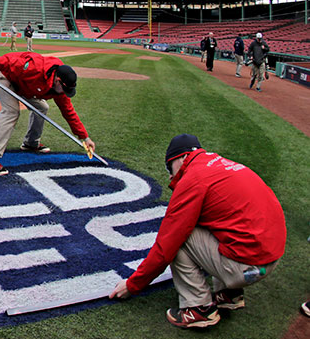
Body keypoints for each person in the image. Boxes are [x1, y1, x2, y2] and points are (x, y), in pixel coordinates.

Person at [109, 134, 286, 329]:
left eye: (170, 168)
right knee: (217, 224)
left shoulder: (193, 178)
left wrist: (133, 285)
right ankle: (229, 294)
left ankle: (198, 309)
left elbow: (165, 246)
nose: (170, 175)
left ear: (180, 158)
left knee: (179, 238)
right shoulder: (222, 164)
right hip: (270, 260)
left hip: (245, 266)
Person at [0, 51, 95, 176]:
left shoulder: (59, 88)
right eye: (64, 90)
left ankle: (31, 143)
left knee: (42, 107)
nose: (64, 94)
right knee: (11, 112)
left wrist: (85, 138)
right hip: (5, 76)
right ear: (58, 81)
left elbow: (69, 112)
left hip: (25, 86)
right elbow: (2, 61)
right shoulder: (33, 67)